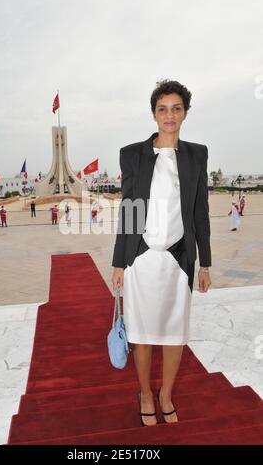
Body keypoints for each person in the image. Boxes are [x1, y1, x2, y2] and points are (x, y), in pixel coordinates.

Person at [111, 79, 212, 426]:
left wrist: (205, 263)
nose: (169, 115)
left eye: (176, 108)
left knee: (173, 333)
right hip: (141, 259)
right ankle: (145, 393)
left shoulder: (197, 154)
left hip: (179, 259)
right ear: (154, 114)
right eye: (162, 109)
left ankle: (166, 394)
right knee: (141, 335)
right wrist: (118, 262)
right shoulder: (133, 154)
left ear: (185, 113)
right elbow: (129, 210)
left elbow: (200, 211)